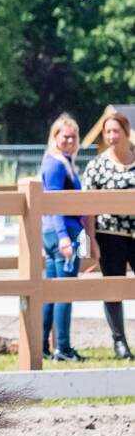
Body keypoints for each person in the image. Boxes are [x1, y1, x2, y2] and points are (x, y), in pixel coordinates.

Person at [82, 110, 135, 359]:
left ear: (126, 133)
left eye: (116, 131)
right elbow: (88, 207)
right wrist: (91, 239)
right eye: (108, 132)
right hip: (109, 233)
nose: (112, 136)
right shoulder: (97, 165)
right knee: (113, 287)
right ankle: (119, 341)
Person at [40, 115, 90, 362]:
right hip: (61, 232)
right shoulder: (57, 164)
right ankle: (63, 347)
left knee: (50, 290)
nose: (69, 141)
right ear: (55, 137)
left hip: (52, 231)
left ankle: (42, 346)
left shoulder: (61, 162)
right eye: (65, 136)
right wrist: (64, 238)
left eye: (73, 137)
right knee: (64, 291)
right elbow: (56, 203)